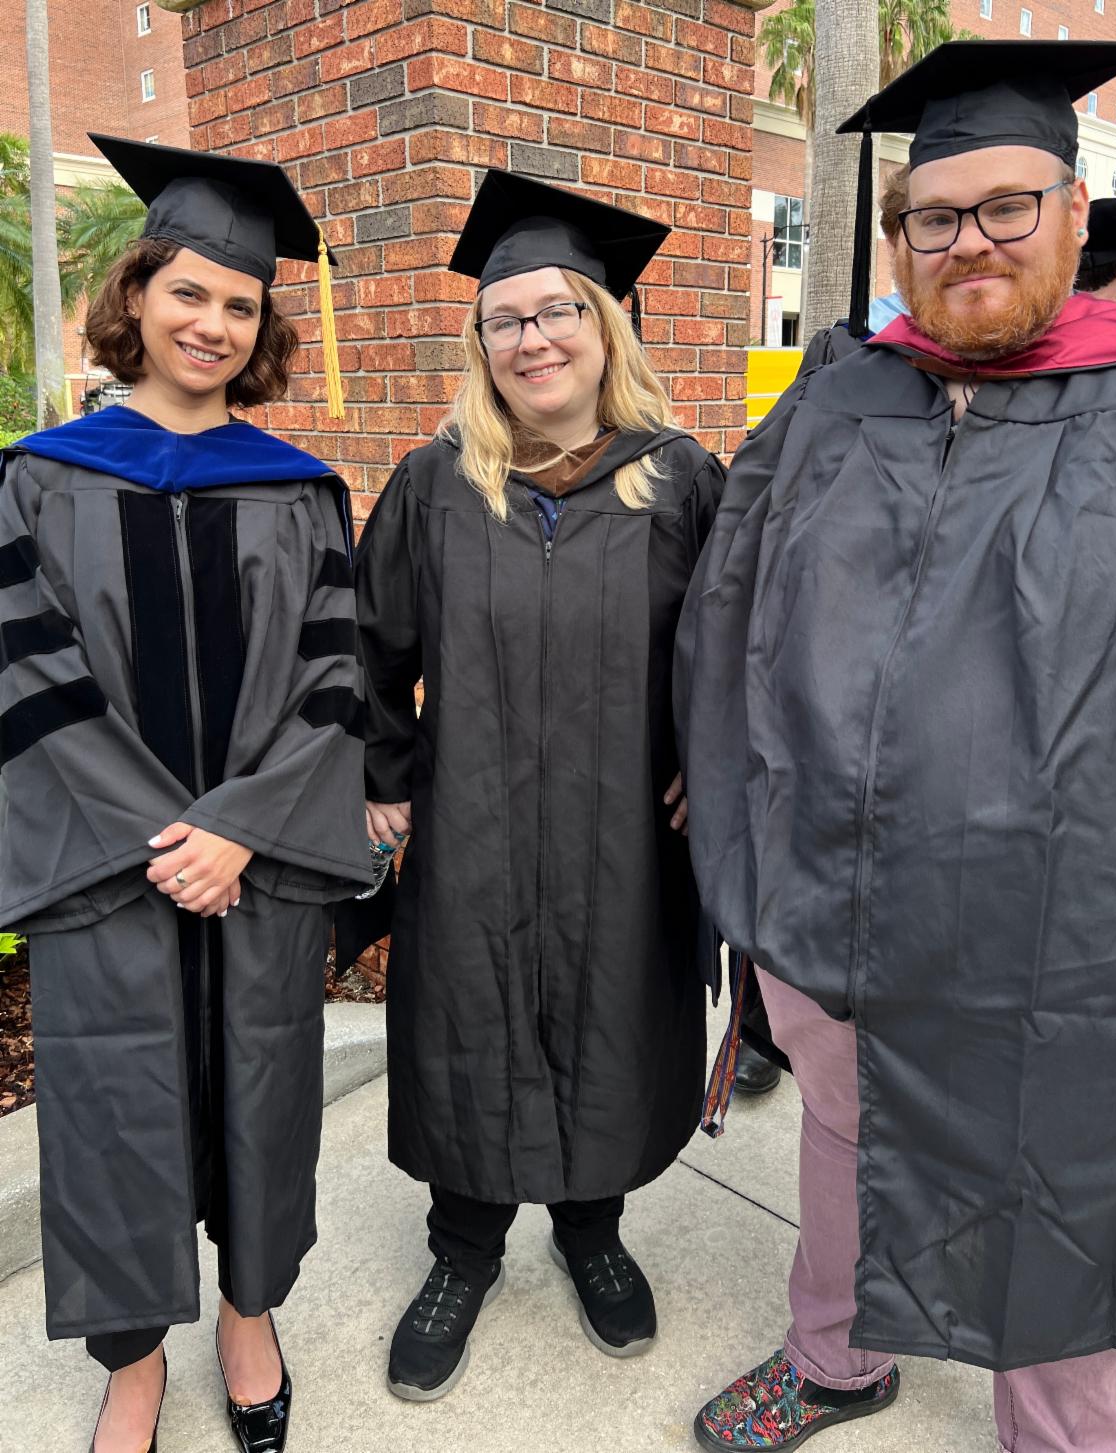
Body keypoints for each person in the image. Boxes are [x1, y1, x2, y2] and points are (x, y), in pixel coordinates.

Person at [678, 38, 1116, 1453]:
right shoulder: (840, 395)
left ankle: (1063, 1437)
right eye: (935, 215)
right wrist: (729, 806)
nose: (967, 241)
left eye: (1005, 208)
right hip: (839, 895)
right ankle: (836, 1354)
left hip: (1078, 920)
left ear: (1075, 215)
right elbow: (731, 610)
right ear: (900, 234)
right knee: (848, 1132)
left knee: (1064, 1177)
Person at [0, 135, 372, 1453]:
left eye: (240, 302)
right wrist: (168, 835)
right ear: (136, 294)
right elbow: (25, 682)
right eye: (189, 292)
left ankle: (249, 1315)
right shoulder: (37, 479)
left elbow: (336, 689)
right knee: (112, 1111)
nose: (213, 322)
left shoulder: (304, 494)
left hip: (253, 868)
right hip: (109, 868)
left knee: (264, 1094)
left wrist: (238, 827)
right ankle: (134, 1361)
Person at [348, 169, 724, 1403]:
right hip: (477, 830)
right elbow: (371, 649)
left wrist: (705, 771)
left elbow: (736, 654)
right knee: (473, 1022)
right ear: (482, 343)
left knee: (613, 1016)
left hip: (625, 834)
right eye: (505, 319)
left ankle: (590, 1227)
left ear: (604, 324)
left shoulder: (679, 481)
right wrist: (384, 779)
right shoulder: (437, 483)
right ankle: (464, 1248)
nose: (532, 337)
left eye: (556, 310)